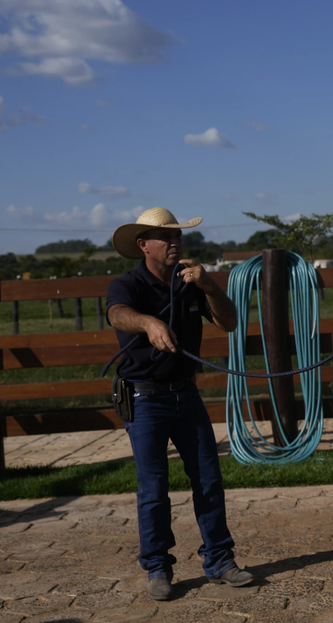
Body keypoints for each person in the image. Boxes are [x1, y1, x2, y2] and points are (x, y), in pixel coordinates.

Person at [106, 207, 253, 601]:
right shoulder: (127, 284)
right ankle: (157, 567)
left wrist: (211, 288)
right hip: (145, 397)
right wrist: (149, 323)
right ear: (144, 246)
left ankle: (220, 560)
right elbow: (117, 314)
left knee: (208, 479)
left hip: (186, 394)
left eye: (178, 237)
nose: (175, 243)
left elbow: (230, 322)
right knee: (153, 488)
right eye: (165, 238)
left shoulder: (192, 282)